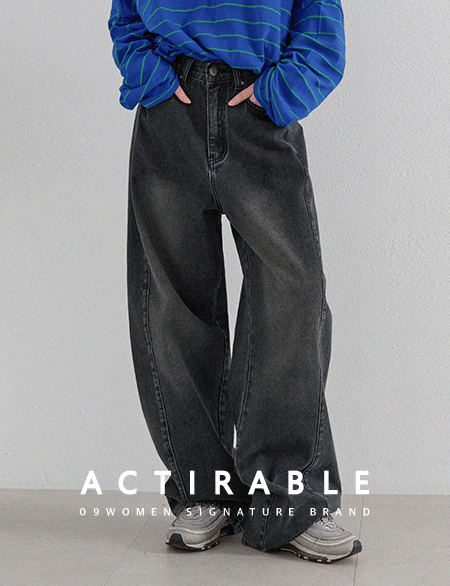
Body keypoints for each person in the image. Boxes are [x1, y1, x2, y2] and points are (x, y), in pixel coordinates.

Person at [108, 0, 362, 563]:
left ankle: (288, 503)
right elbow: (126, 17)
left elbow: (322, 31)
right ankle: (204, 491)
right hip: (168, 118)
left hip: (259, 113)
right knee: (173, 306)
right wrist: (152, 79)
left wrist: (276, 95)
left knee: (290, 300)